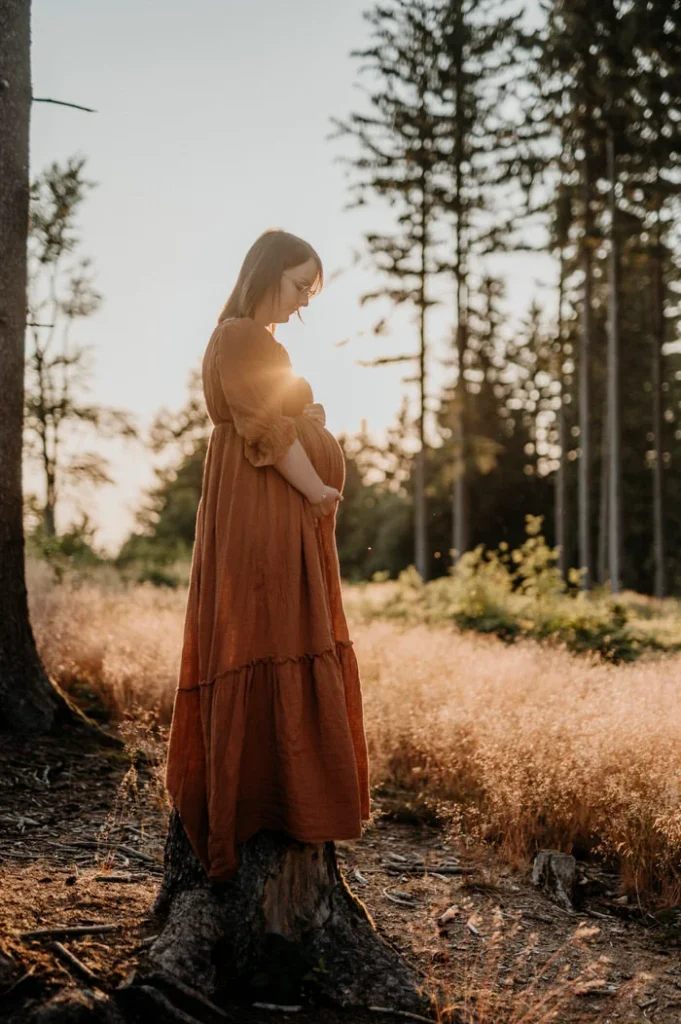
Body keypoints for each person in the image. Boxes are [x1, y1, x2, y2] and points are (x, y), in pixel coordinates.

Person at [164, 228, 371, 882]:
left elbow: (277, 421)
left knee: (278, 634)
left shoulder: (255, 341)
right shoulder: (240, 337)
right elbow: (267, 432)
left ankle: (285, 795)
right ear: (266, 273)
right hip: (264, 511)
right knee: (267, 633)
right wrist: (316, 490)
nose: (302, 302)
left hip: (273, 511)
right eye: (298, 286)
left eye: (310, 291)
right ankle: (260, 800)